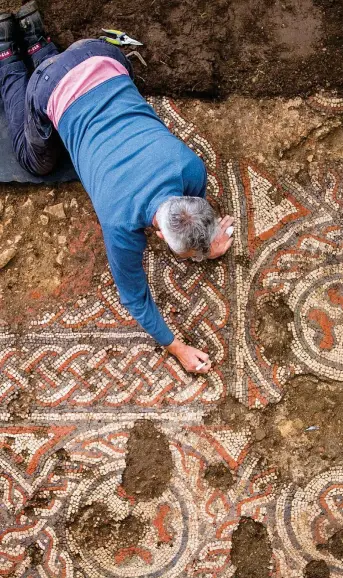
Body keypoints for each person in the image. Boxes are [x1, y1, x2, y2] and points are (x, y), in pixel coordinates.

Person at [0, 2, 234, 374]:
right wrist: (176, 348)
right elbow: (134, 298)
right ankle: (7, 55)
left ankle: (34, 34)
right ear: (157, 232)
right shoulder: (119, 221)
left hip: (98, 54)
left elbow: (198, 212)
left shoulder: (189, 166)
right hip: (48, 84)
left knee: (69, 84)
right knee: (35, 160)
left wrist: (209, 241)